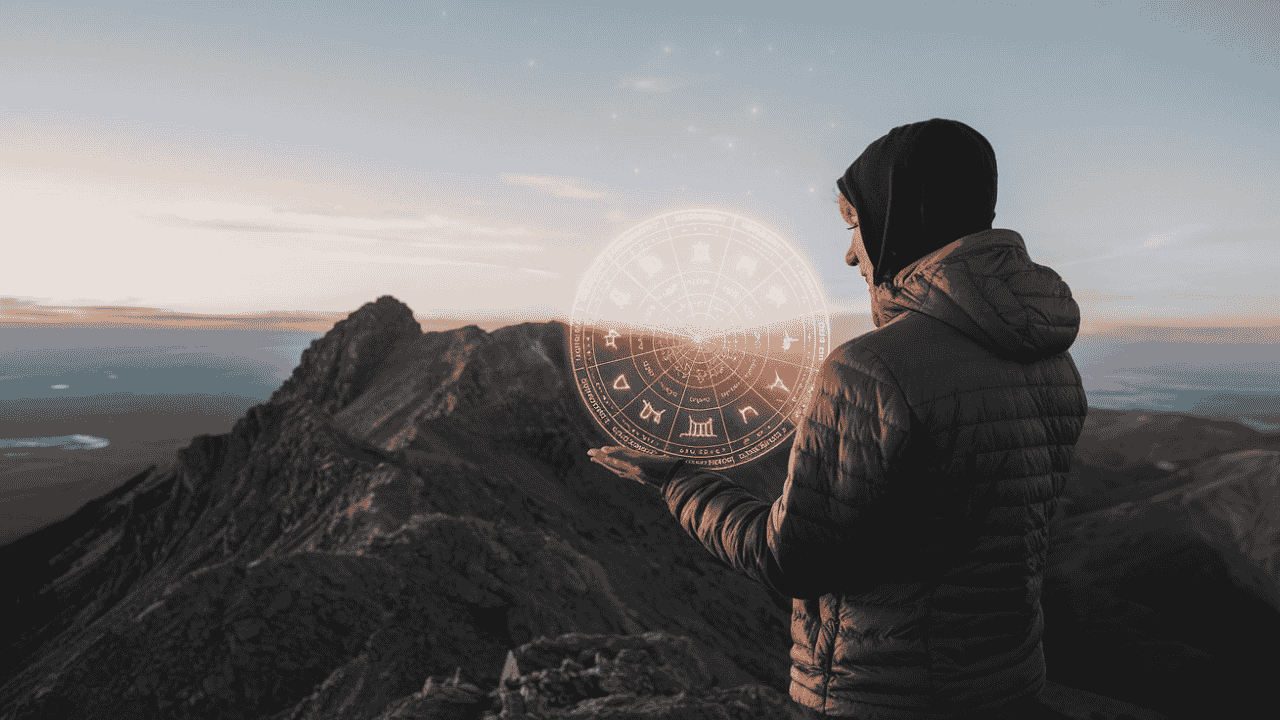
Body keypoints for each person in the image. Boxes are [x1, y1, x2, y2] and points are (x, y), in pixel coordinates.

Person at [588, 118, 1089, 719]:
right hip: (1011, 684)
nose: (851, 254)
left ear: (903, 219)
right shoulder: (1053, 363)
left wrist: (675, 480)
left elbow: (790, 562)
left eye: (855, 222)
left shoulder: (870, 369)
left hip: (886, 696)